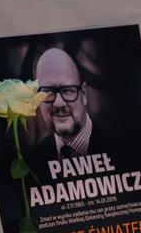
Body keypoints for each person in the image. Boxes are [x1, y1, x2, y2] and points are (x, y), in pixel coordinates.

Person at [29, 48, 113, 179]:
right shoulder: (33, 161)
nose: (58, 103)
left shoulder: (120, 149)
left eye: (68, 90)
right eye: (48, 92)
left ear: (84, 94)